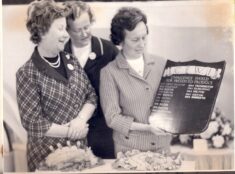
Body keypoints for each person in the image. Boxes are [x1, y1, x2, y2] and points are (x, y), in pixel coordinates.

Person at [16, 0, 97, 171]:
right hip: (47, 158)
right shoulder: (27, 73)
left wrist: (81, 120)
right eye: (60, 29)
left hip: (80, 154)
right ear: (42, 31)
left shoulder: (72, 60)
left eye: (66, 28)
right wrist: (72, 132)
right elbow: (33, 123)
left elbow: (91, 96)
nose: (67, 35)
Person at [100, 7, 172, 155]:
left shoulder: (162, 63)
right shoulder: (109, 72)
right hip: (129, 151)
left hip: (163, 147)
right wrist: (147, 128)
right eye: (135, 39)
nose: (142, 44)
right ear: (120, 41)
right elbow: (112, 118)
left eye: (144, 37)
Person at [63, 1, 119, 159]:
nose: (84, 33)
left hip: (104, 131)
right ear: (67, 30)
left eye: (87, 27)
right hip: (72, 131)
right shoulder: (60, 53)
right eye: (77, 30)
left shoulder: (108, 50)